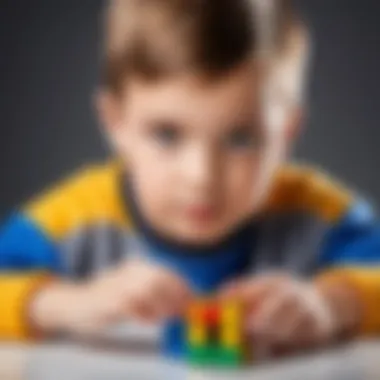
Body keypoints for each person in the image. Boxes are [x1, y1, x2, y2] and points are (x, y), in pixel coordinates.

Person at [1, 0, 379, 358]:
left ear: (286, 134)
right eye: (167, 135)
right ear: (115, 122)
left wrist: (333, 304)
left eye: (241, 139)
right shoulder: (67, 224)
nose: (201, 177)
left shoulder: (323, 218)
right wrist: (67, 303)